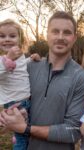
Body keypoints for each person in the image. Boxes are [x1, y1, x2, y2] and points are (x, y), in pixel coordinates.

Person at [0, 11, 84, 150]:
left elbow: (73, 131)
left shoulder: (81, 78)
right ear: (47, 35)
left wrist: (26, 128)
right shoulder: (29, 66)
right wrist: (6, 117)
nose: (60, 37)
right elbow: (9, 90)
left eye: (66, 32)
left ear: (74, 38)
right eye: (55, 31)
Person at [0, 19, 32, 150]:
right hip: (14, 103)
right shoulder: (2, 59)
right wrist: (8, 58)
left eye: (12, 36)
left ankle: (16, 135)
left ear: (20, 39)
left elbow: (21, 67)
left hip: (26, 100)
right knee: (22, 136)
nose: (7, 39)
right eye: (2, 36)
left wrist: (31, 59)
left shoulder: (21, 56)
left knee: (25, 131)